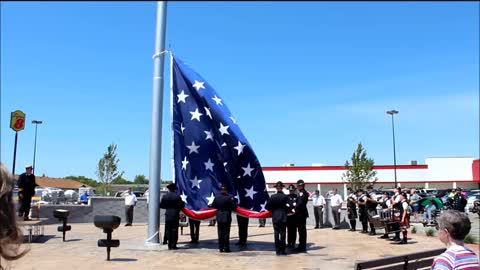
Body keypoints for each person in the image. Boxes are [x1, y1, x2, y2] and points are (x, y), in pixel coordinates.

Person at [1, 163, 28, 267]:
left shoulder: (31, 177)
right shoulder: (22, 176)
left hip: (27, 194)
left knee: (26, 206)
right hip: (23, 194)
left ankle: (26, 215)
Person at [265, 181, 290, 256]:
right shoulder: (285, 197)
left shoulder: (273, 197)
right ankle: (283, 250)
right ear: (282, 188)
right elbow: (289, 207)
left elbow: (267, 207)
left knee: (276, 233)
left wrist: (273, 210)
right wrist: (285, 210)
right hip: (283, 217)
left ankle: (277, 250)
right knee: (283, 234)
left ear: (276, 188)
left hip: (275, 216)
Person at [211, 185, 236, 253]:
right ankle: (226, 247)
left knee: (220, 233)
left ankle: (220, 248)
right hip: (227, 216)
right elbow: (234, 207)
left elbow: (213, 205)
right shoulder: (229, 198)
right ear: (226, 190)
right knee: (226, 233)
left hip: (219, 216)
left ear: (220, 190)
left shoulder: (217, 198)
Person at [160, 183, 185, 250]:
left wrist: (167, 207)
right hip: (175, 214)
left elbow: (161, 205)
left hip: (168, 214)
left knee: (168, 230)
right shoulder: (177, 196)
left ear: (169, 189)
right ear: (174, 189)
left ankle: (169, 245)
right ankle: (174, 245)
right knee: (174, 230)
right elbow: (182, 205)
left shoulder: (165, 196)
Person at [294, 179, 308, 252]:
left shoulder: (302, 193)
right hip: (300, 213)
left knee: (301, 230)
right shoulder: (301, 193)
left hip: (301, 214)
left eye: (299, 185)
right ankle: (301, 245)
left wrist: (294, 207)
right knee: (301, 230)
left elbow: (300, 203)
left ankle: (302, 247)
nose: (298, 186)